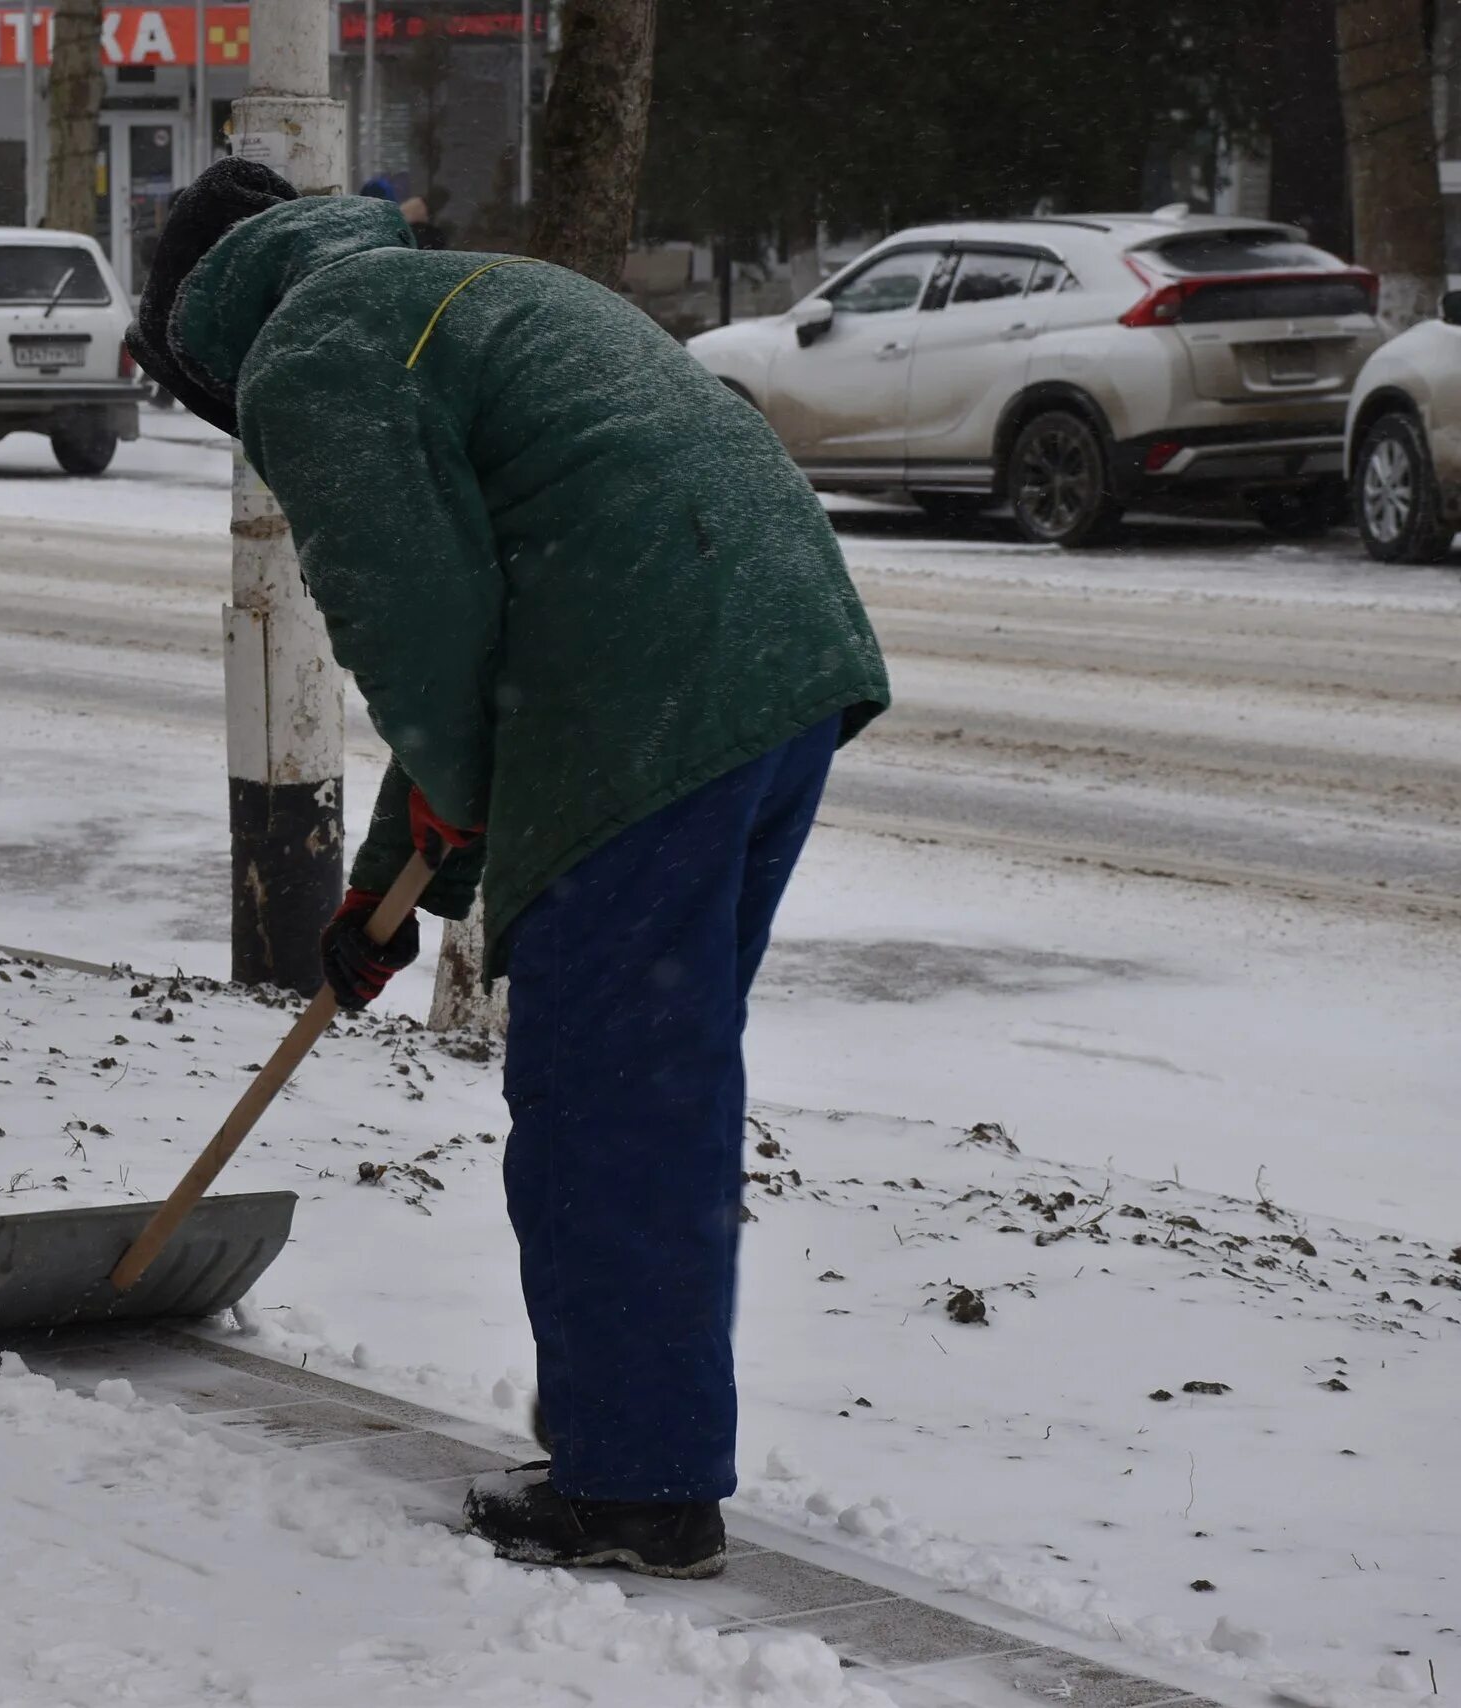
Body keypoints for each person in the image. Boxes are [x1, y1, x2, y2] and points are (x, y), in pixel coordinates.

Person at [125, 159, 890, 1580]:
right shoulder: (440, 288)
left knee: (604, 1097)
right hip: (781, 658)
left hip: (648, 684)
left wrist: (456, 822)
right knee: (659, 1082)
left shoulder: (304, 351)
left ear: (196, 342)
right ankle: (633, 1437)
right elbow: (487, 623)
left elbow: (419, 635)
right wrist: (391, 881)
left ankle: (638, 1487)